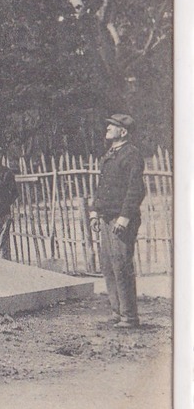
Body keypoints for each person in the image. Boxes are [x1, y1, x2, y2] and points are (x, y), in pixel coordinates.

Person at [88, 113, 146, 329]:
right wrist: (94, 212)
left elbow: (135, 190)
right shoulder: (109, 155)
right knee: (109, 266)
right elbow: (100, 187)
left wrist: (125, 218)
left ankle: (129, 316)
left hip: (121, 220)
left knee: (121, 265)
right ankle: (117, 312)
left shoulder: (131, 155)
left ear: (123, 132)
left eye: (112, 126)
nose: (107, 129)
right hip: (105, 218)